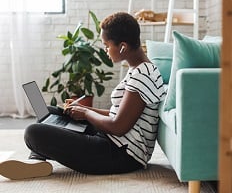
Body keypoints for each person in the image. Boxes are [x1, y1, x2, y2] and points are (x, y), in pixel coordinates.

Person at [0, 12, 166, 180]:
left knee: (33, 132)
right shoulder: (139, 70)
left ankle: (36, 158)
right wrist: (83, 108)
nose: (105, 50)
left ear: (122, 46)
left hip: (121, 155)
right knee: (49, 112)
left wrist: (86, 114)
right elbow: (118, 115)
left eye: (107, 45)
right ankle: (36, 161)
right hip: (112, 140)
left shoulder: (142, 75)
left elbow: (118, 126)